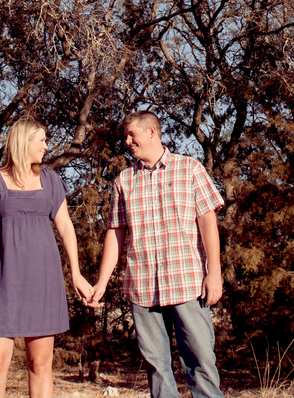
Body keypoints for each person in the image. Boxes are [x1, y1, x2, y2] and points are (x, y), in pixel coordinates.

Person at [88, 111, 224, 398]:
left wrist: (214, 272)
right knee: (157, 369)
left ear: (152, 132)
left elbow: (208, 222)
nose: (127, 141)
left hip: (188, 284)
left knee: (201, 363)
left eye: (132, 135)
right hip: (142, 288)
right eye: (125, 136)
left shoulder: (190, 169)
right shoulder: (124, 181)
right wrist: (102, 281)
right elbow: (116, 232)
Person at [0, 117, 91, 398]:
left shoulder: (50, 180)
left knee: (39, 364)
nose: (46, 147)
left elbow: (66, 227)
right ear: (23, 142)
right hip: (1, 281)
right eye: (42, 140)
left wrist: (76, 273)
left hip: (43, 282)